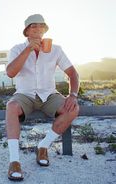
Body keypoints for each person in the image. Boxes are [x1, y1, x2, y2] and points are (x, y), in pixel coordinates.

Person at [5, 14, 79, 181]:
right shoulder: (17, 49)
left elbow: (73, 74)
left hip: (49, 94)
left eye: (41, 26)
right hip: (25, 94)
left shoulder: (56, 49)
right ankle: (14, 161)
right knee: (11, 107)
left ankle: (43, 146)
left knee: (73, 109)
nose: (38, 29)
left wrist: (73, 95)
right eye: (33, 26)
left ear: (45, 29)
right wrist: (29, 49)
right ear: (26, 31)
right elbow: (10, 72)